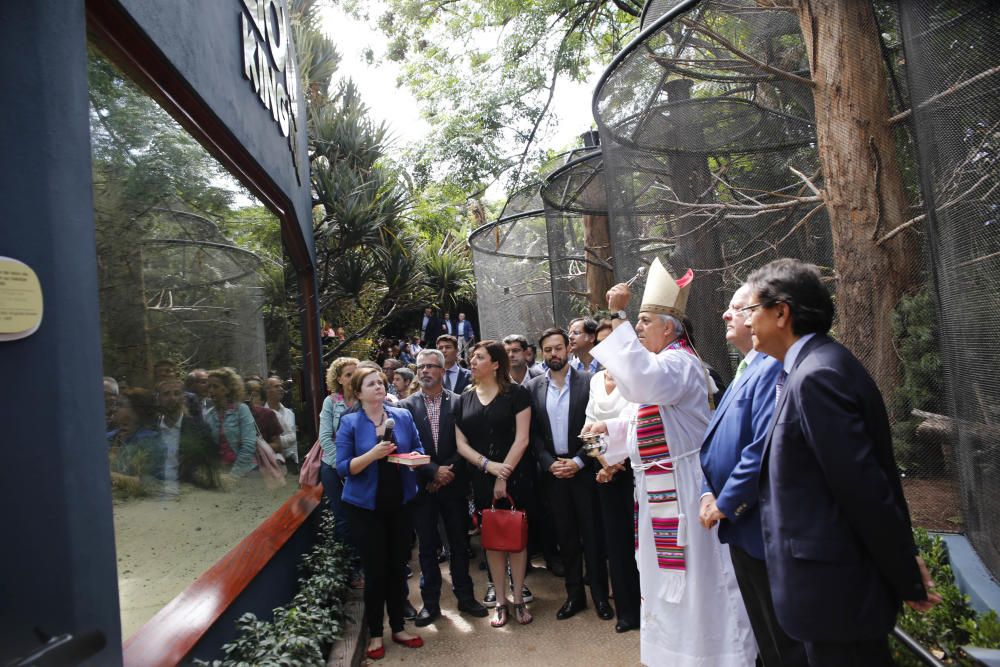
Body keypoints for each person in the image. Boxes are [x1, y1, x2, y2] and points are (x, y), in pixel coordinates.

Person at [745, 258, 940, 665]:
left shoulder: (817, 377)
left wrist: (904, 574)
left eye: (752, 310)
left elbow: (864, 489)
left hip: (835, 597)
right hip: (830, 596)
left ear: (782, 313)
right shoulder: (811, 367)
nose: (746, 321)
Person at [584, 258, 755, 667]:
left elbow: (641, 381)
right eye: (637, 322)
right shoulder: (664, 366)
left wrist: (618, 315)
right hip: (659, 491)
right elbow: (642, 417)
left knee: (700, 585)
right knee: (665, 585)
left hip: (687, 491)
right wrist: (610, 435)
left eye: (644, 321)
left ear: (668, 328)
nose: (638, 329)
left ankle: (717, 657)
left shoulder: (681, 363)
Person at [697, 283, 801, 666]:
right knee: (765, 635)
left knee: (784, 639)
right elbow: (715, 441)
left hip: (760, 523)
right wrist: (707, 491)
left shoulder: (776, 366)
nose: (727, 315)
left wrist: (725, 501)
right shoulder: (746, 367)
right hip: (739, 526)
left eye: (739, 308)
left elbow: (761, 447)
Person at [336, 367, 426, 660]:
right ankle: (376, 633)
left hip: (399, 503)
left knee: (398, 568)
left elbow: (418, 448)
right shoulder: (349, 422)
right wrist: (372, 455)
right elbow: (342, 468)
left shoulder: (401, 415)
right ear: (358, 392)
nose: (378, 387)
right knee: (375, 572)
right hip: (365, 508)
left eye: (380, 382)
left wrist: (414, 459)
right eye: (371, 383)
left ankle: (399, 627)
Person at [526, 328, 610, 621]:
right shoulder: (534, 387)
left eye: (558, 348)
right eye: (547, 350)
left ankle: (600, 597)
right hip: (554, 474)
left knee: (593, 536)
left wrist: (579, 461)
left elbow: (598, 424)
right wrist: (549, 462)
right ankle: (574, 597)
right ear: (541, 353)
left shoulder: (588, 382)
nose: (553, 354)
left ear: (568, 349)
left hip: (585, 471)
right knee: (567, 539)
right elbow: (534, 434)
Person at [400, 349, 489, 625]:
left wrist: (447, 472)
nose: (425, 371)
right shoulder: (405, 407)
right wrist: (432, 472)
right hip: (423, 488)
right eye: (420, 367)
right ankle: (430, 604)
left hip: (454, 485)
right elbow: (405, 450)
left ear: (442, 370)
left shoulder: (460, 402)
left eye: (430, 366)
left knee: (459, 545)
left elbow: (468, 444)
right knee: (427, 547)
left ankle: (465, 598)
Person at [455, 340, 533, 627]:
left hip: (516, 474)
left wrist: (503, 474)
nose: (472, 362)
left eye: (479, 357)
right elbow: (460, 443)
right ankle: (500, 599)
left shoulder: (517, 393)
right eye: (472, 357)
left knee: (515, 537)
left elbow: (522, 438)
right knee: (493, 540)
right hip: (481, 476)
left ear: (496, 363)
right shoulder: (464, 397)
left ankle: (518, 597)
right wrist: (488, 467)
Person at [586, 326, 641, 634]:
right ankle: (627, 612)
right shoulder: (595, 380)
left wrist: (620, 461)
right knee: (616, 545)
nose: (604, 346)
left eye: (611, 340)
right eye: (600, 341)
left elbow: (637, 421)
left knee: (642, 544)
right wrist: (605, 463)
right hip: (605, 472)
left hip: (636, 469)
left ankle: (650, 610)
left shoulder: (637, 378)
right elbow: (588, 426)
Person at [318, 357, 360, 575]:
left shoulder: (365, 400)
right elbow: (325, 438)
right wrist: (342, 467)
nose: (353, 379)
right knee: (343, 518)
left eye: (356, 373)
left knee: (363, 517)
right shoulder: (331, 402)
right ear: (339, 379)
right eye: (348, 375)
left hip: (361, 468)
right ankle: (350, 569)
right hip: (334, 469)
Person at [157, 377, 220, 494]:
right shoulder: (153, 429)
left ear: (184, 398)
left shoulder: (200, 430)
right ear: (158, 399)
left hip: (191, 491)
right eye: (166, 394)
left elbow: (212, 464)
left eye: (177, 393)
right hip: (157, 490)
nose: (172, 398)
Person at [108, 387, 165, 493]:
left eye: (120, 405)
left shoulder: (151, 442)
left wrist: (108, 476)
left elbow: (151, 483)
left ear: (136, 411)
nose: (114, 409)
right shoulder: (107, 437)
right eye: (115, 404)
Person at [204, 367, 257, 478]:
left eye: (215, 386)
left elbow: (249, 445)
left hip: (245, 472)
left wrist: (234, 475)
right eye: (209, 386)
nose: (211, 390)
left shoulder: (241, 410)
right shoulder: (208, 415)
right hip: (221, 473)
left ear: (228, 389)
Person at [265, 376, 299, 467]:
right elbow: (267, 443)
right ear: (267, 391)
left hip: (294, 464)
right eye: (276, 386)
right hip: (272, 465)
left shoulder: (290, 413)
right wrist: (291, 437)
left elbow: (294, 440)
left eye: (281, 386)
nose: (281, 389)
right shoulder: (263, 414)